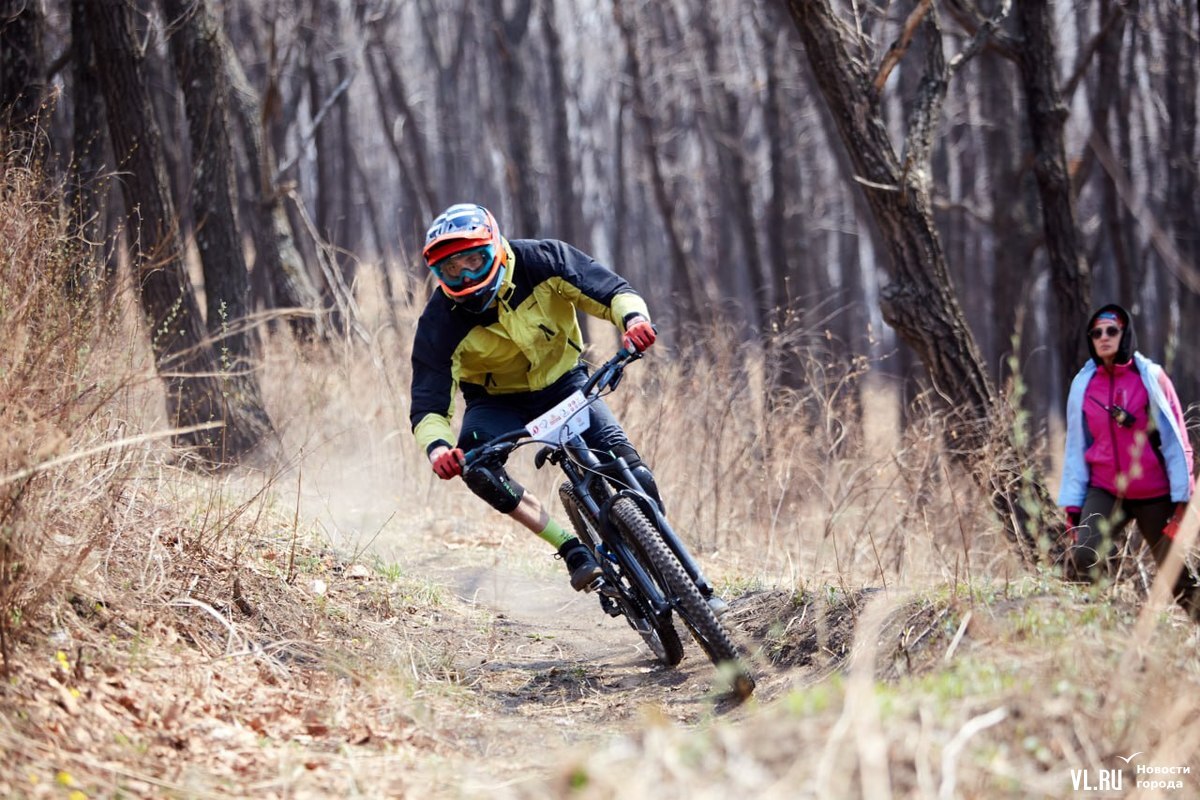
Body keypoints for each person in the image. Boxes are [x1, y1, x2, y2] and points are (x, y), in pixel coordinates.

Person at [409, 203, 726, 612]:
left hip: (566, 382)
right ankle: (571, 547)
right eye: (452, 269)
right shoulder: (439, 321)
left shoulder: (543, 260)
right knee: (477, 468)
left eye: (474, 260)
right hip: (495, 404)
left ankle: (689, 581)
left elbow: (614, 292)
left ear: (496, 248)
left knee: (635, 473)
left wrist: (633, 322)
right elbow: (428, 405)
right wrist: (438, 448)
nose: (466, 276)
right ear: (439, 274)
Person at [1058, 303, 1198, 616]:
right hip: (1105, 489)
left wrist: (1183, 499)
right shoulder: (1084, 384)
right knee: (1084, 556)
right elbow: (1076, 447)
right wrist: (1073, 505)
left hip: (1154, 493)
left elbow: (1178, 442)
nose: (1103, 337)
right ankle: (1096, 627)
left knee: (1177, 577)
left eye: (1111, 330)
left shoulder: (1151, 377)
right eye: (1096, 333)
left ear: (1125, 334)